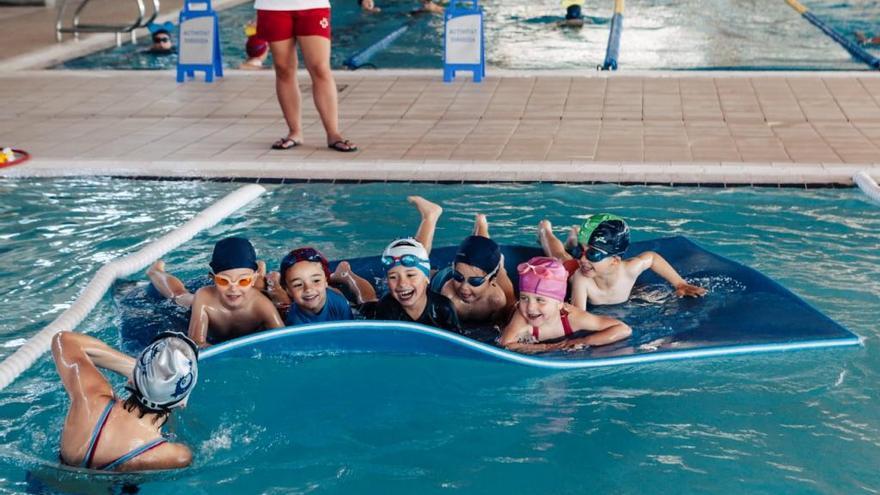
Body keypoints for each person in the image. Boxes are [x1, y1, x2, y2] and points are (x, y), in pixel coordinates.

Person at [52, 331, 198, 471]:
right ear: (182, 403)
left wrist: (142, 372)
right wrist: (155, 381)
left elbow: (64, 340)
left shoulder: (90, 399)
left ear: (131, 379)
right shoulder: (175, 455)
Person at [538, 214, 707, 309]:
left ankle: (574, 240)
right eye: (582, 252)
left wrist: (680, 284)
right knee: (561, 257)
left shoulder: (629, 269)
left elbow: (652, 257)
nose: (582, 258)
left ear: (615, 260)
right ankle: (545, 231)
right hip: (571, 270)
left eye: (592, 253)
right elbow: (578, 314)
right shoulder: (582, 278)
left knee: (572, 254)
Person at [256, 0, 358, 152]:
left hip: (313, 6)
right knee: (284, 69)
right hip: (273, 6)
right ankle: (294, 132)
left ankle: (333, 134)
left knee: (320, 68)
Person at [147, 237, 284, 347]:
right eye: (224, 281)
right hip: (203, 302)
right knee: (178, 295)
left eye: (243, 281)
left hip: (252, 291)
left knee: (259, 288)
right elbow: (196, 342)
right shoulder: (204, 297)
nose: (233, 288)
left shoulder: (261, 304)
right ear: (212, 278)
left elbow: (283, 338)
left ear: (252, 279)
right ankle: (155, 272)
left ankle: (259, 271)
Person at [499, 257, 631, 354]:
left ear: (559, 304)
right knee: (508, 299)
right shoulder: (521, 317)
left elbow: (622, 329)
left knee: (565, 261)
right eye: (524, 298)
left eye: (540, 300)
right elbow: (506, 344)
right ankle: (499, 268)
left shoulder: (573, 318)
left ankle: (547, 234)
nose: (530, 307)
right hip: (510, 310)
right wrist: (546, 347)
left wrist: (583, 341)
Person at [431, 214, 515, 327]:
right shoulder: (449, 297)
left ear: (492, 280)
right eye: (458, 277)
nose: (464, 288)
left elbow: (498, 326)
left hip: (484, 274)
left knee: (498, 270)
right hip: (444, 275)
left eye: (475, 281)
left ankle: (481, 225)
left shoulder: (497, 301)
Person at [265, 246, 377, 325]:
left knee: (368, 304)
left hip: (331, 295)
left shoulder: (339, 303)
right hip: (295, 305)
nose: (308, 289)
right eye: (298, 284)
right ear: (288, 289)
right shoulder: (293, 319)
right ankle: (274, 283)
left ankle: (345, 275)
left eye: (316, 280)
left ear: (325, 281)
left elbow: (350, 332)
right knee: (282, 305)